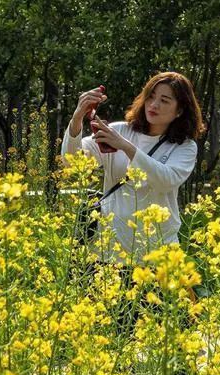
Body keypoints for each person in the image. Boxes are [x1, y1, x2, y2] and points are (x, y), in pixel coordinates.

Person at [61, 72, 204, 260]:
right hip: (108, 252)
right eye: (151, 97)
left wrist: (125, 146)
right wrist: (77, 119)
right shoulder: (120, 130)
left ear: (180, 110)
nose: (154, 105)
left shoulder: (184, 146)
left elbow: (165, 181)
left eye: (164, 100)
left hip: (156, 253)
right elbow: (72, 162)